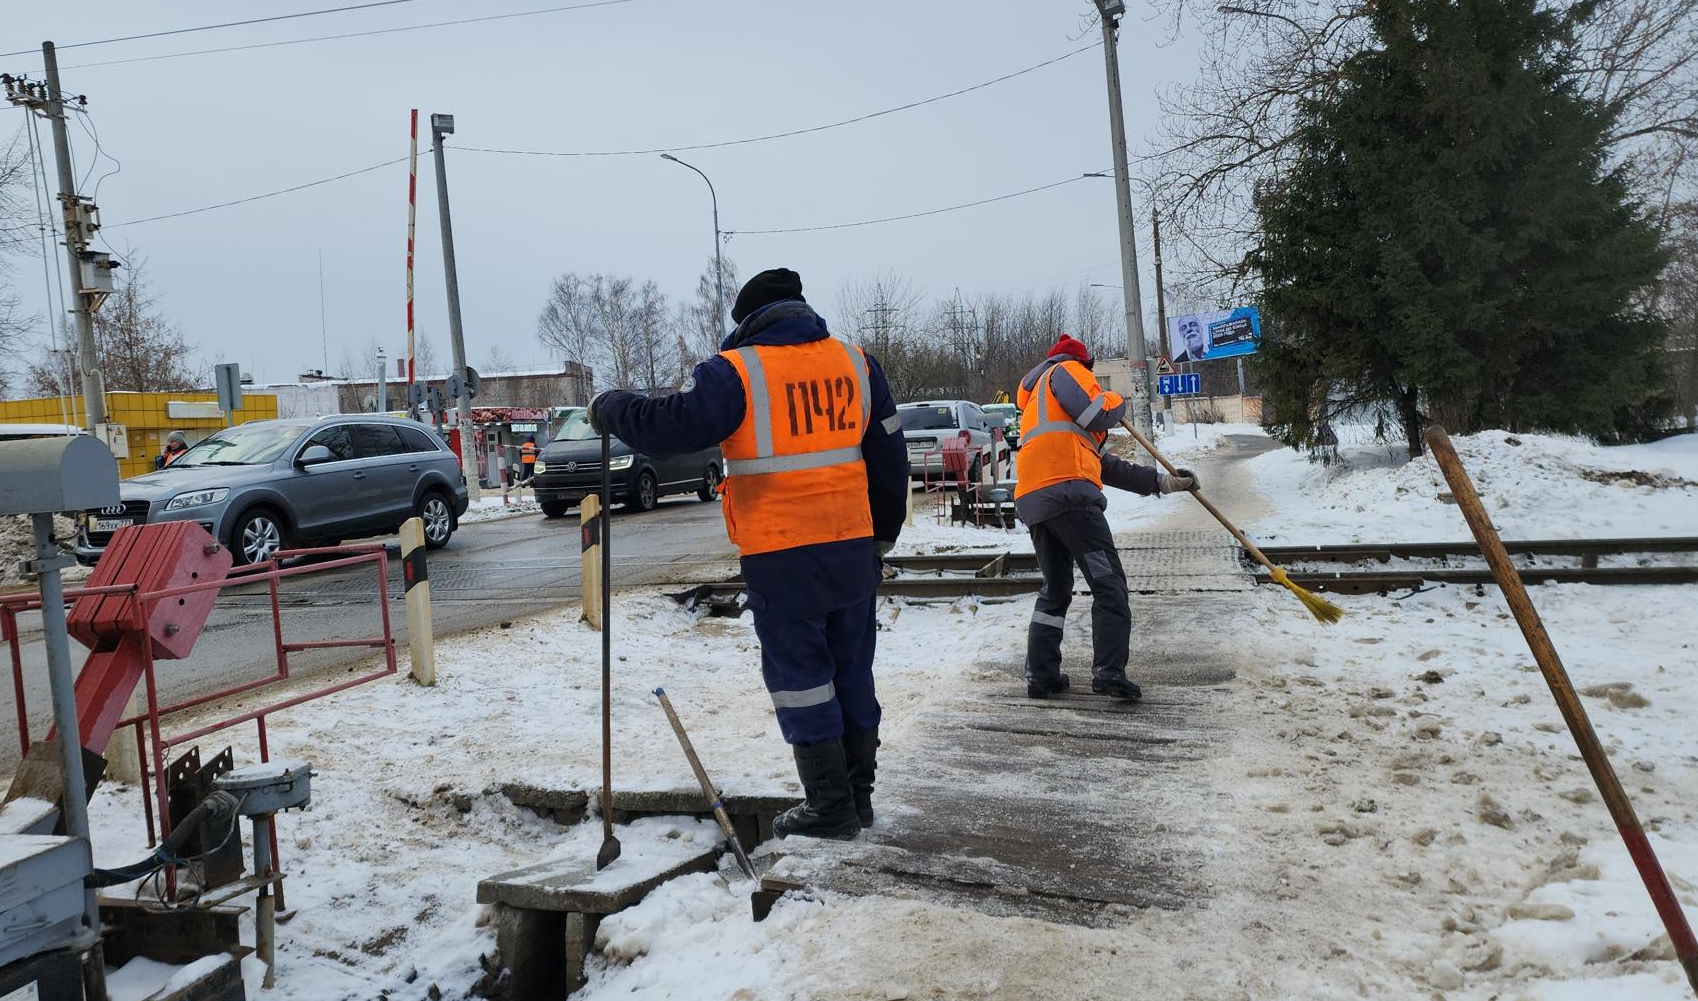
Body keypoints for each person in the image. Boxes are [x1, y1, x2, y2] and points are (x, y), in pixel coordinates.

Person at [589, 268, 908, 840]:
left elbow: (670, 427)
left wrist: (611, 406)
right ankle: (856, 799)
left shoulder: (737, 372)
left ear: (747, 323)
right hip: (852, 545)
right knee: (853, 670)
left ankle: (829, 805)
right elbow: (889, 454)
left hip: (783, 553)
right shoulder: (857, 364)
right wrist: (882, 534)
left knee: (802, 677)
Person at [1014, 334, 1199, 703]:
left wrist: (1164, 482)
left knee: (1056, 590)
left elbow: (1104, 465)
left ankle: (1042, 675)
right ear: (1086, 365)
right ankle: (1109, 672)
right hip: (1070, 500)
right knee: (1108, 584)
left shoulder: (1040, 404)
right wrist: (1117, 400)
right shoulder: (1067, 370)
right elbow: (1099, 410)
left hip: (1037, 503)